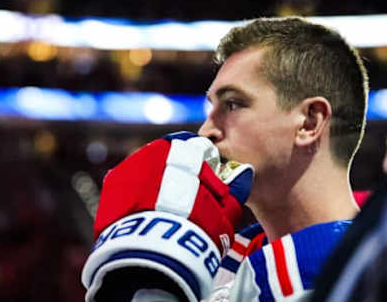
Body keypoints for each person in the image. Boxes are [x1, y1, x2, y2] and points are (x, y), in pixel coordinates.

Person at [81, 16, 369, 302]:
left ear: (309, 122)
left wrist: (154, 283)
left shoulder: (352, 272)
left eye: (233, 104)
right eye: (212, 107)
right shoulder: (237, 254)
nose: (206, 131)